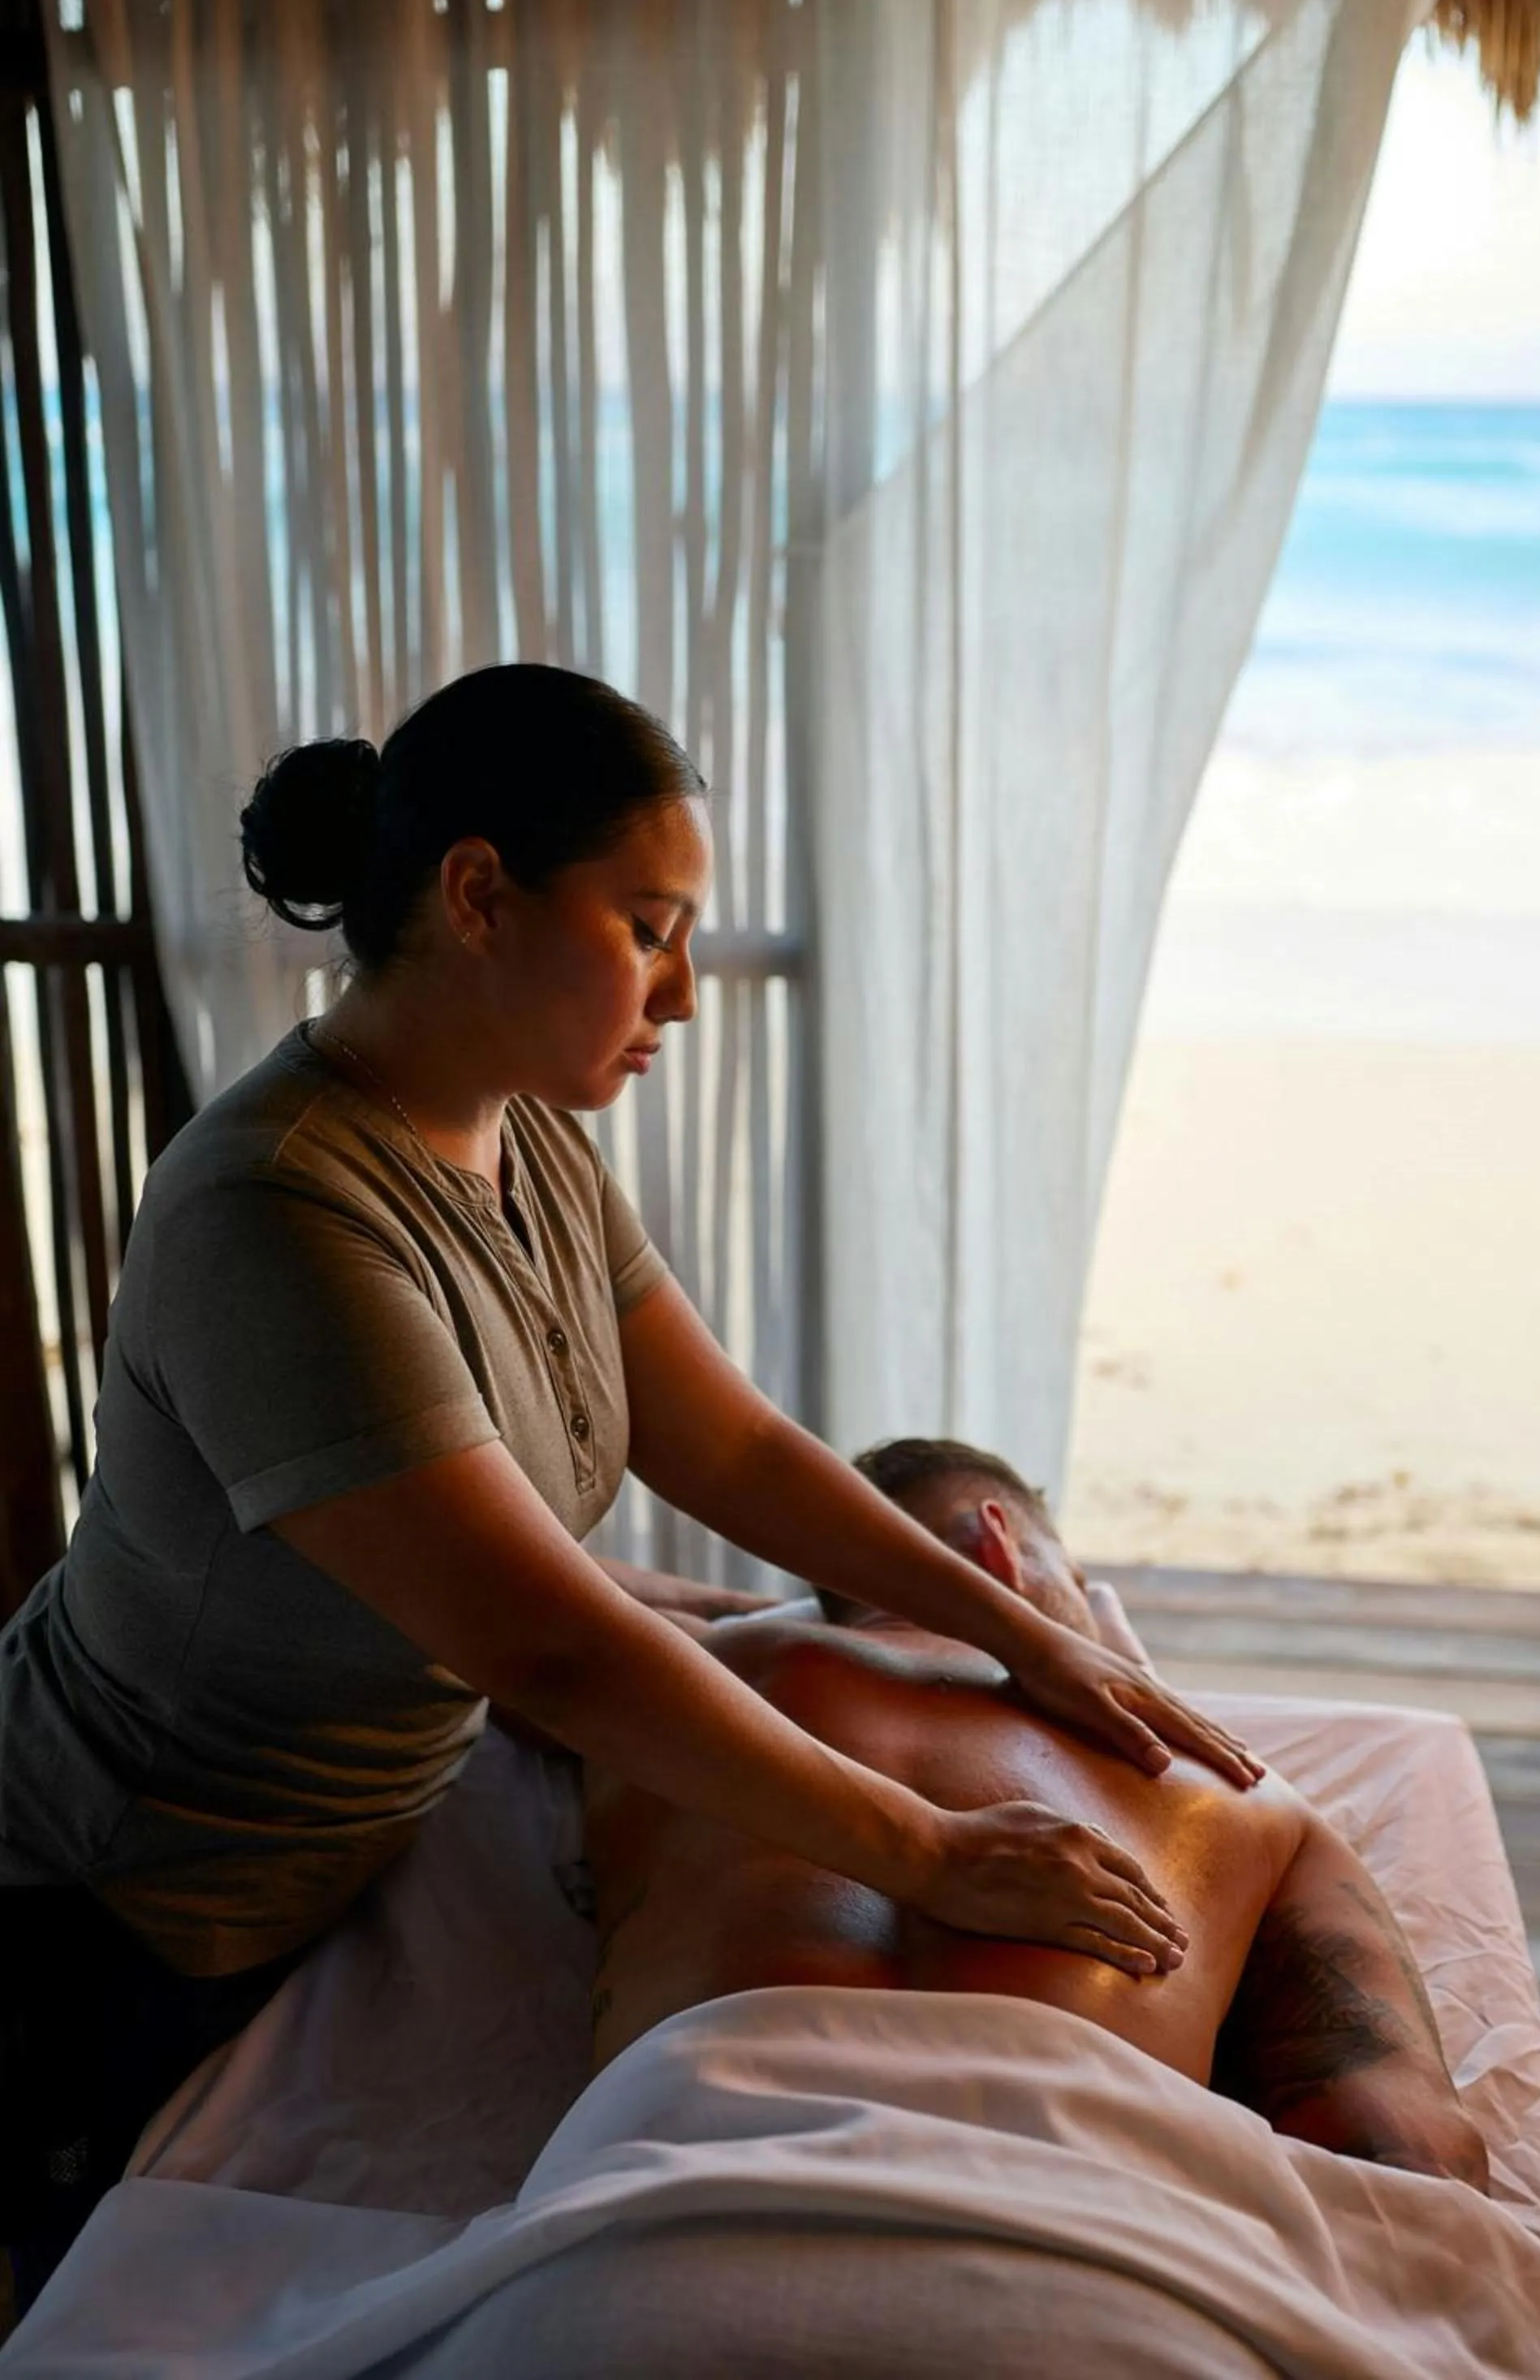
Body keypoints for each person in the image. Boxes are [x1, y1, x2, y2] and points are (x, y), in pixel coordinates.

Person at [0, 665, 1259, 2296]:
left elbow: (728, 1443)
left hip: (345, 1848)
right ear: (476, 897)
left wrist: (1028, 1635)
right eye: (646, 926)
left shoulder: (529, 1141)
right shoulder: (278, 1218)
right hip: (120, 1906)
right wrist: (931, 1854)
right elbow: (556, 1654)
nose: (679, 991)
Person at [586, 1436, 1487, 2191]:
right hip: (1087, 2235)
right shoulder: (1232, 1785)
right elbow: (1398, 2145)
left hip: (657, 2229)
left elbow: (516, 1600)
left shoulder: (671, 1688)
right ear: (999, 1544)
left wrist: (761, 1618)